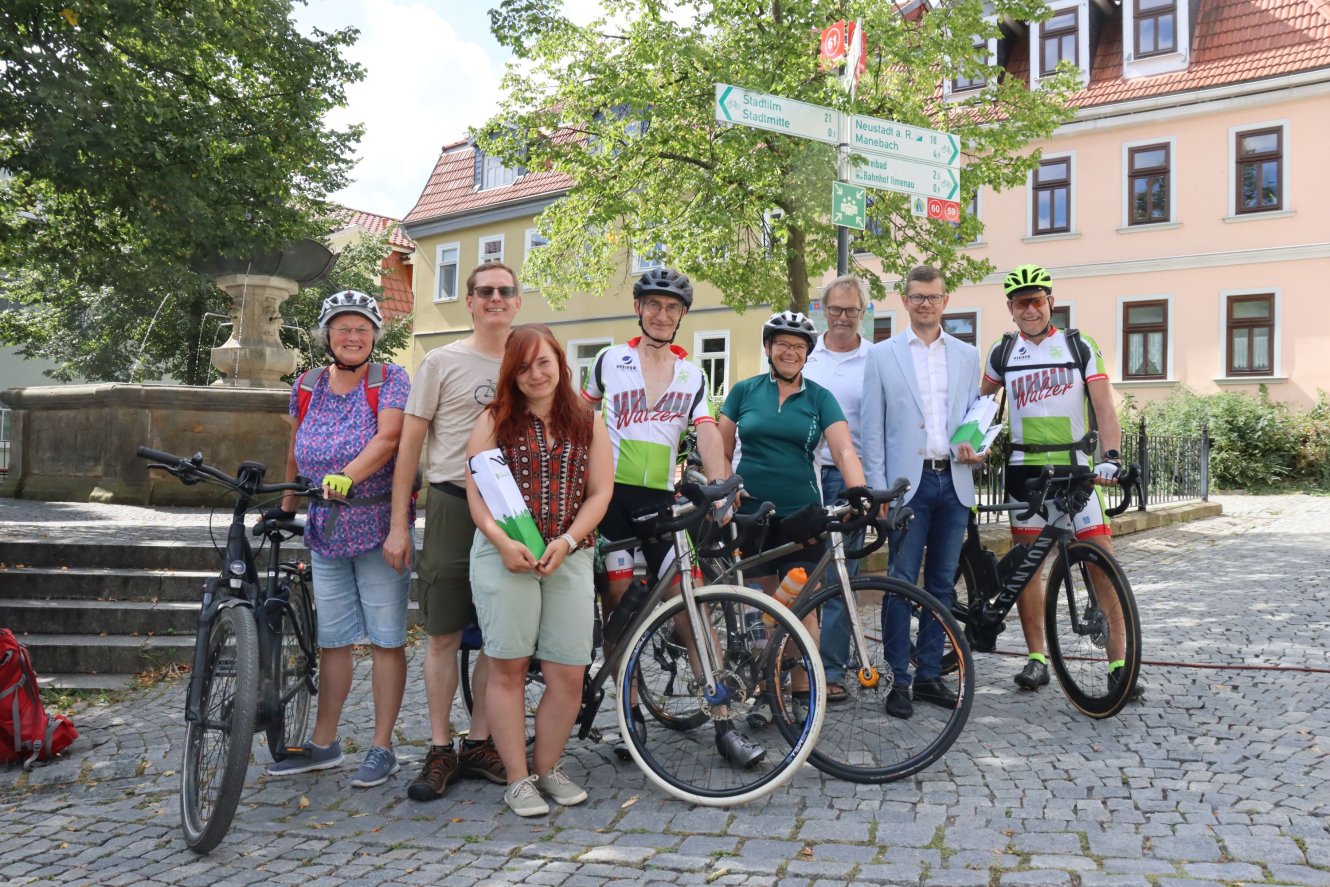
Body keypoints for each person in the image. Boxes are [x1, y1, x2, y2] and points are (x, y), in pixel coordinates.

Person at [580, 266, 751, 763]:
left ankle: (724, 721)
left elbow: (707, 433)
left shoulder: (693, 374)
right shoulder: (611, 360)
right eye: (653, 305)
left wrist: (720, 489)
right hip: (608, 502)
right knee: (618, 603)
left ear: (681, 317)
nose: (661, 314)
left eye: (671, 307)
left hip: (660, 503)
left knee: (691, 605)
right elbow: (579, 413)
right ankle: (630, 718)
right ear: (639, 309)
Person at [383, 263, 519, 802]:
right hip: (451, 503)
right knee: (441, 632)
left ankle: (480, 740)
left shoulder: (528, 360)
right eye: (484, 291)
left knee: (498, 634)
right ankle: (440, 746)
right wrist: (400, 524)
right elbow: (409, 448)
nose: (494, 299)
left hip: (512, 509)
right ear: (469, 301)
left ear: (517, 301)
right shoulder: (441, 361)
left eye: (504, 291)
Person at [465, 325, 613, 817]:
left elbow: (599, 493)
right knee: (507, 667)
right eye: (524, 366)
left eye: (543, 362)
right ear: (512, 372)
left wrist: (569, 541)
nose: (535, 374)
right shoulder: (493, 419)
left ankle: (548, 767)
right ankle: (516, 778)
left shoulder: (589, 423)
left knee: (569, 672)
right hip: (506, 557)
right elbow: (477, 494)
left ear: (560, 362)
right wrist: (503, 542)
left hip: (570, 556)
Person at [265, 291, 412, 787]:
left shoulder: (390, 378)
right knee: (334, 640)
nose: (353, 337)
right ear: (326, 335)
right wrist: (286, 508)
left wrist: (346, 475)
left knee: (387, 640)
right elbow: (295, 443)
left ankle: (382, 745)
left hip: (376, 526)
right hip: (325, 532)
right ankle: (324, 743)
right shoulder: (306, 384)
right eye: (343, 329)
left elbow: (389, 438)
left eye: (363, 329)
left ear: (374, 336)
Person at [981, 263, 1143, 701]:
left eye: (1037, 301)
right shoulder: (1002, 352)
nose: (1029, 309)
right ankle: (1037, 660)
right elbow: (981, 406)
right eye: (1021, 303)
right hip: (1024, 473)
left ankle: (1117, 664)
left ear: (1051, 302)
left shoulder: (1078, 344)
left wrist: (1110, 456)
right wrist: (970, 442)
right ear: (1011, 309)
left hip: (1075, 469)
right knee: (1028, 568)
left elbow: (1105, 409)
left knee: (1100, 561)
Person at [719, 310, 868, 727]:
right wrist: (723, 490)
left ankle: (805, 692)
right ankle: (768, 693)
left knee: (802, 608)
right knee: (764, 610)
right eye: (782, 343)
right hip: (752, 516)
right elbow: (722, 446)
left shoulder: (820, 397)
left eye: (798, 346)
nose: (789, 351)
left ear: (807, 354)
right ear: (768, 348)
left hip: (802, 516)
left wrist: (857, 493)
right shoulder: (745, 391)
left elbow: (842, 450)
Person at [860, 266, 984, 720]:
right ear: (905, 301)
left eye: (933, 297)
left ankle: (931, 673)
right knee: (899, 582)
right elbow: (871, 429)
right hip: (905, 485)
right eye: (917, 297)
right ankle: (897, 677)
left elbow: (973, 415)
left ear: (945, 300)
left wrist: (979, 448)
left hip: (954, 480)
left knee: (942, 584)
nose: (926, 304)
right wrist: (880, 491)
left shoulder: (968, 355)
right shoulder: (882, 355)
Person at [801, 275, 873, 705]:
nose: (842, 318)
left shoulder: (876, 359)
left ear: (863, 313)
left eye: (851, 310)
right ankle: (797, 665)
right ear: (822, 311)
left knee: (844, 576)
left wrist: (868, 485)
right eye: (834, 309)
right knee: (803, 572)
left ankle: (831, 669)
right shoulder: (804, 355)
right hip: (807, 475)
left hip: (852, 479)